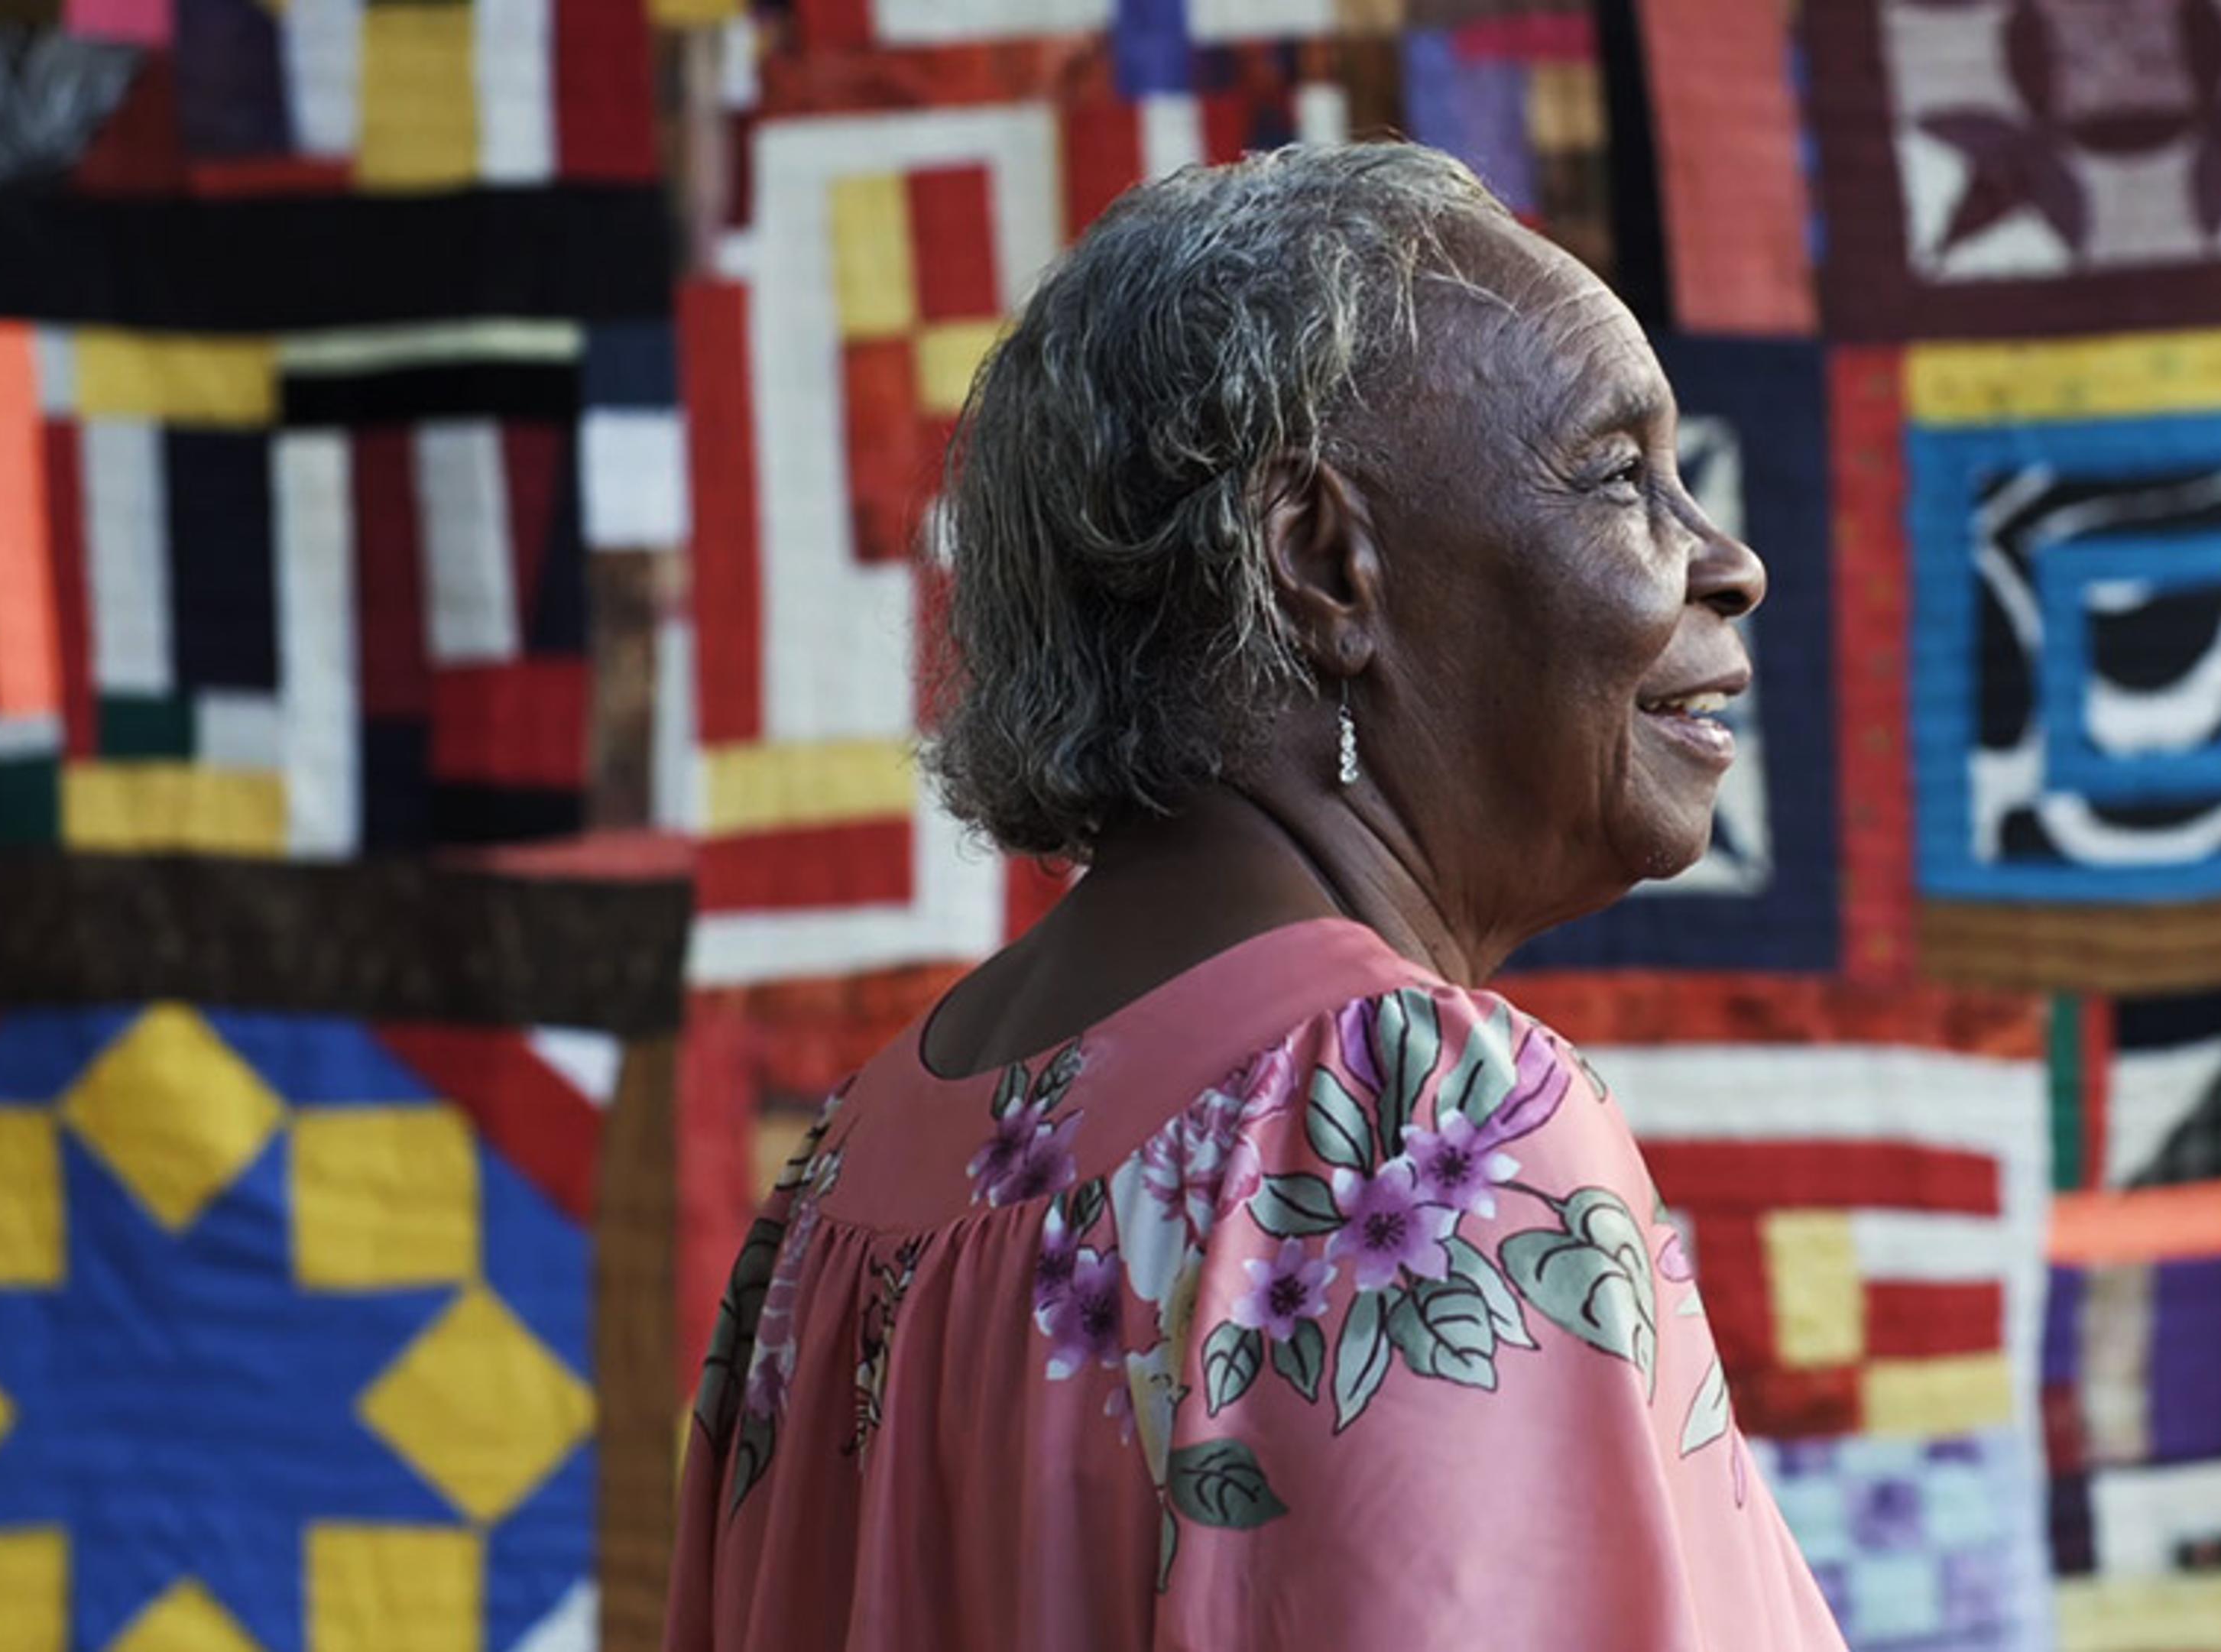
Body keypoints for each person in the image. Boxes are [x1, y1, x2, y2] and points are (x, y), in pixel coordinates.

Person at [666, 141, 1848, 1651]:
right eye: (1622, 475)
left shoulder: (846, 1178)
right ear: (1322, 561)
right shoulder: (1415, 1131)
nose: (1727, 560)